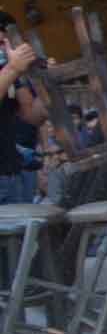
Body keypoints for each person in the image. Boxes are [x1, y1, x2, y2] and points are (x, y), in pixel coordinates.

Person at [0, 12, 48, 204]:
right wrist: (12, 69)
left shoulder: (11, 74)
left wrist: (47, 84)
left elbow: (32, 116)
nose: (5, 49)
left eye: (8, 43)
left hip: (11, 173)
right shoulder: (10, 70)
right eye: (2, 43)